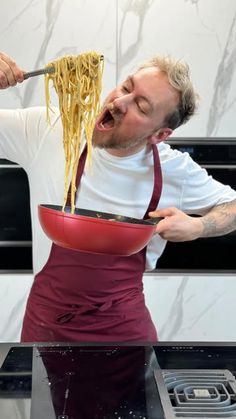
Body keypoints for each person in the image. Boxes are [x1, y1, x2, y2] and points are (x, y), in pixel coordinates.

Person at [0, 51, 236, 342]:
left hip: (125, 336)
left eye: (141, 105)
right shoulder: (49, 130)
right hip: (45, 328)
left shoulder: (175, 169)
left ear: (159, 135)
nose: (119, 102)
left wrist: (199, 226)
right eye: (126, 87)